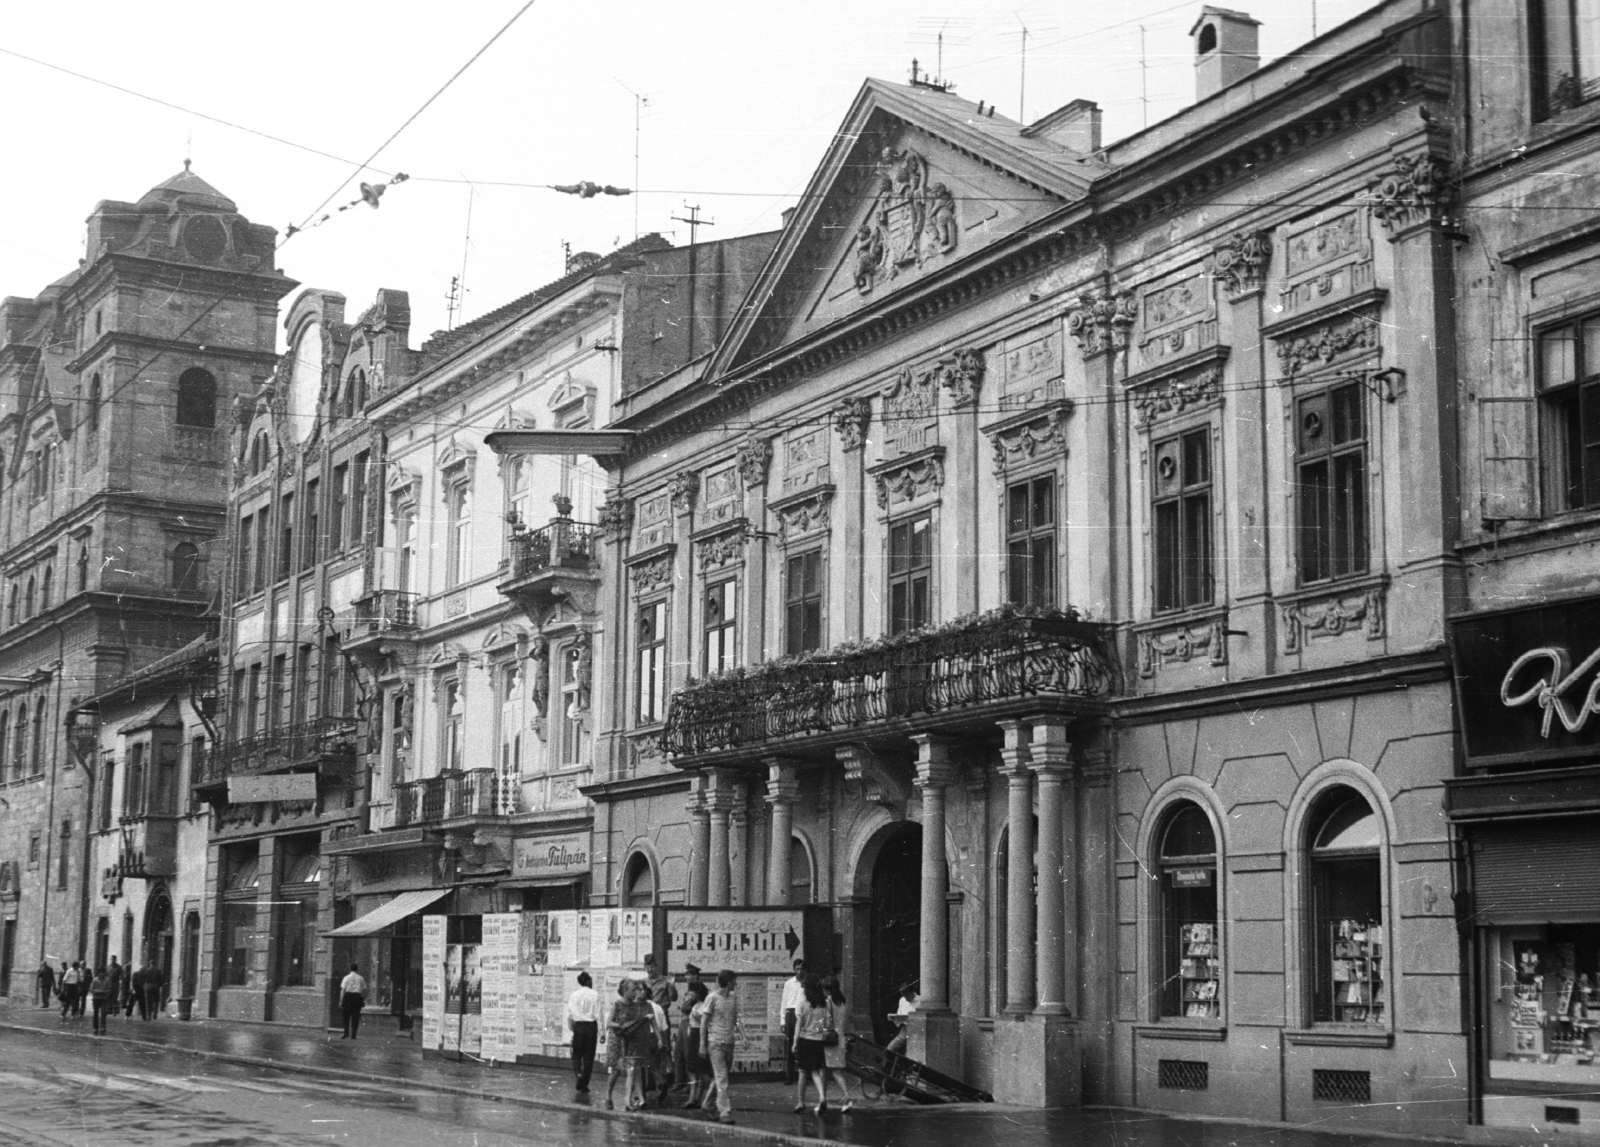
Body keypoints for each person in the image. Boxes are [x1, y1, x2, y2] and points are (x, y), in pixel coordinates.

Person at [699, 969, 740, 1125]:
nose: (736, 983)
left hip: (729, 1042)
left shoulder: (733, 997)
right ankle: (724, 1111)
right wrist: (702, 1045)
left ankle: (707, 1104)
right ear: (729, 982)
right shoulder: (712, 998)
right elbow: (703, 1022)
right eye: (734, 980)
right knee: (722, 1077)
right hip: (715, 1043)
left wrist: (743, 1036)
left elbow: (736, 1019)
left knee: (720, 1078)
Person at [792, 975, 834, 1115]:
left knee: (803, 1072)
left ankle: (800, 1102)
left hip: (805, 1040)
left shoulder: (803, 1003)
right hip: (818, 1041)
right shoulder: (825, 1003)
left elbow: (799, 1024)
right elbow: (828, 1024)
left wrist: (795, 1042)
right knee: (816, 1071)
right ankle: (822, 1096)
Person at [611, 979, 655, 1111]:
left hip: (639, 1041)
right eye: (635, 990)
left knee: (636, 1070)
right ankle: (627, 1100)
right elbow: (626, 1024)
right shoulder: (629, 1005)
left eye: (639, 990)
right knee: (632, 1071)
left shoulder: (641, 1005)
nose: (638, 992)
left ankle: (639, 1098)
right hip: (630, 1041)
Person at [640, 954, 677, 1103]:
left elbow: (673, 998)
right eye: (647, 967)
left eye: (652, 966)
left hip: (661, 1017)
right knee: (647, 1050)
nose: (649, 969)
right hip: (647, 1019)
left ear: (656, 966)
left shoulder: (664, 981)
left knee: (663, 1048)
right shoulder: (643, 983)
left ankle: (666, 1079)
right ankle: (651, 1083)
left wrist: (672, 985)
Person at [820, 975, 859, 1111]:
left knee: (828, 1070)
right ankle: (823, 1099)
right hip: (840, 1039)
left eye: (824, 989)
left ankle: (845, 1097)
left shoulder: (828, 1002)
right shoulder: (842, 1002)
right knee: (835, 1070)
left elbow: (827, 1022)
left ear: (828, 989)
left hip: (830, 1039)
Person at [565, 971, 600, 1093]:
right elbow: (598, 1014)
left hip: (578, 1027)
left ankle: (578, 1074)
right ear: (588, 981)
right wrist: (602, 1033)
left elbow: (570, 1015)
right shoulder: (594, 994)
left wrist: (573, 1030)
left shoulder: (574, 995)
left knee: (576, 1054)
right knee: (589, 1057)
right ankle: (584, 1083)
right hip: (591, 1027)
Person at [673, 963, 702, 1092]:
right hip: (684, 1022)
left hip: (691, 1023)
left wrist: (684, 1006)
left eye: (689, 974)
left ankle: (690, 1085)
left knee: (688, 1053)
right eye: (686, 974)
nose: (686, 977)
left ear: (695, 975)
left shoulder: (698, 990)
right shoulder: (690, 989)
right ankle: (680, 1082)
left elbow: (685, 1007)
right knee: (679, 1052)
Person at [680, 980, 710, 1109]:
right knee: (692, 1068)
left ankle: (698, 1096)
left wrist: (699, 1018)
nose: (690, 994)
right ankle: (692, 1097)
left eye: (692, 991)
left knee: (701, 1069)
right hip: (692, 1035)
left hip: (701, 1035)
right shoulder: (694, 1005)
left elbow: (706, 1022)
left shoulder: (705, 1005)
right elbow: (683, 1008)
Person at [780, 958, 806, 1083]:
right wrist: (782, 1021)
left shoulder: (807, 983)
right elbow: (784, 1003)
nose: (799, 971)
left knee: (803, 1045)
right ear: (794, 969)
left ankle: (804, 1076)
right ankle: (789, 1076)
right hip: (791, 1014)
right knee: (790, 1046)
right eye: (797, 969)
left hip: (803, 1015)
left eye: (801, 969)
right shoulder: (789, 983)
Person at [887, 980, 919, 1054]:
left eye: (907, 995)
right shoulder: (902, 1000)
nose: (906, 998)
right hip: (905, 1029)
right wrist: (895, 1018)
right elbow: (900, 1014)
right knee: (890, 1048)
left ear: (912, 992)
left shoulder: (920, 1001)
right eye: (904, 995)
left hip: (917, 1029)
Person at [339, 963, 367, 1039]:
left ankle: (346, 1032)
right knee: (355, 1016)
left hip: (348, 997)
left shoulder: (346, 978)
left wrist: (341, 1001)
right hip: (357, 997)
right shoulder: (360, 978)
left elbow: (343, 990)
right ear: (357, 969)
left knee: (346, 1016)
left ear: (350, 969)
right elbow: (364, 989)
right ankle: (353, 1034)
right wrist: (363, 998)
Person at [88, 966, 112, 1035]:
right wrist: (99, 991)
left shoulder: (107, 980)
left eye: (103, 973)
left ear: (105, 973)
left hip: (104, 999)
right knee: (95, 1013)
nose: (101, 974)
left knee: (103, 1013)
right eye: (100, 973)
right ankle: (95, 1027)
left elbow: (109, 989)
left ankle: (103, 1027)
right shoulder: (95, 980)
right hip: (96, 998)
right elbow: (91, 989)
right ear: (98, 973)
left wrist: (104, 992)